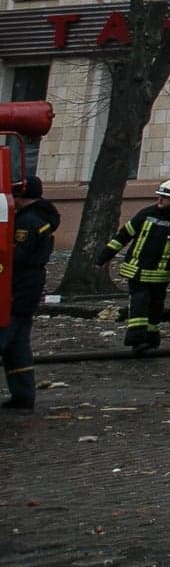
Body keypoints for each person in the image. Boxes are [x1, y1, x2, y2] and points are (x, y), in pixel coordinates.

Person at [105, 180, 170, 354]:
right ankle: (136, 341)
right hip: (137, 271)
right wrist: (104, 256)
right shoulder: (146, 214)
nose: (160, 200)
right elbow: (124, 235)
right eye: (160, 196)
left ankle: (151, 339)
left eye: (165, 197)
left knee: (155, 307)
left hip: (160, 275)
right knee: (139, 304)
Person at [6, 173, 59, 409]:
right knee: (18, 344)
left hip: (21, 284)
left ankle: (23, 394)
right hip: (29, 283)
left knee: (6, 334)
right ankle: (23, 394)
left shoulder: (27, 221)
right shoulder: (39, 217)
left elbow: (18, 254)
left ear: (22, 195)